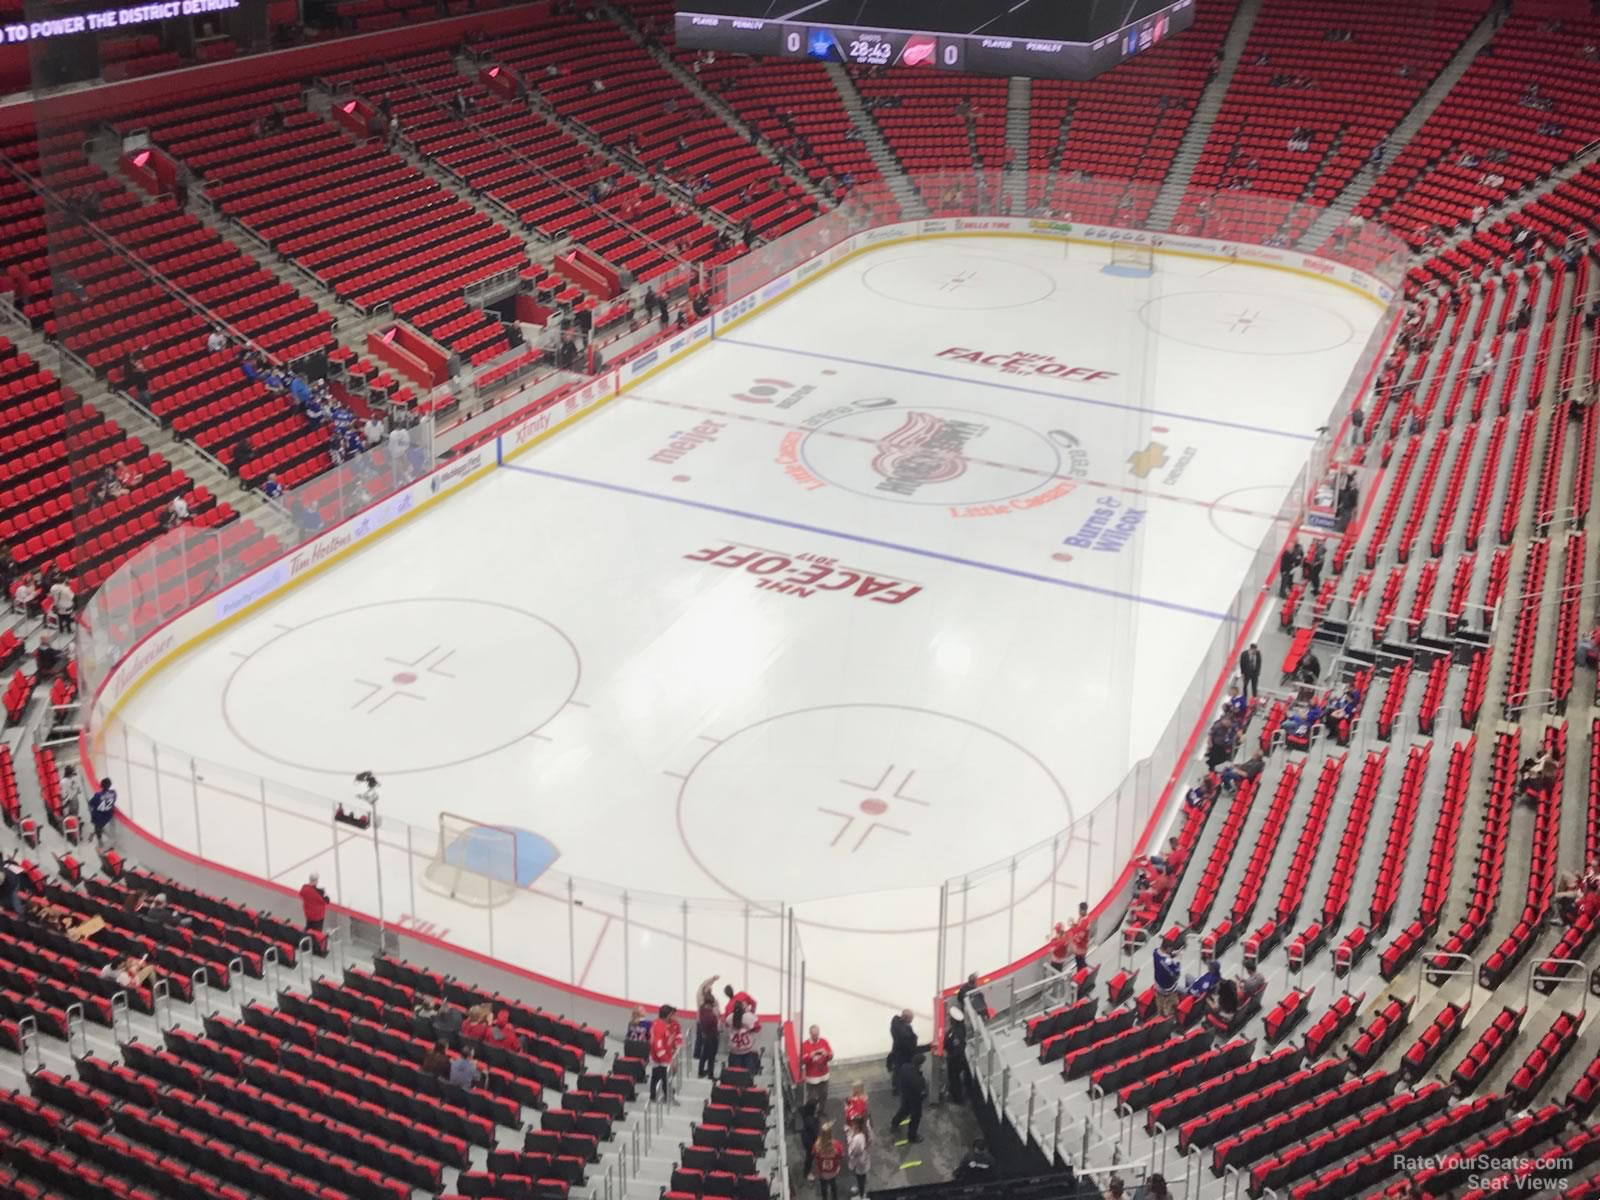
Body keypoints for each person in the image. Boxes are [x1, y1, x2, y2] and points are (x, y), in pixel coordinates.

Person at [889, 1052, 927, 1143]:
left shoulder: (905, 1067)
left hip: (905, 1095)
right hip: (915, 1100)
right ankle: (912, 1136)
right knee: (915, 1117)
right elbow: (922, 1093)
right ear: (920, 1064)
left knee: (903, 1110)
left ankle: (895, 1123)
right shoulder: (919, 1079)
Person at [648, 1003, 680, 1101]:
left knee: (656, 1076)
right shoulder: (660, 1028)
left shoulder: (656, 1023)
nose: (674, 1017)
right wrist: (669, 1061)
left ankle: (654, 1095)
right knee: (665, 1077)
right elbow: (659, 1048)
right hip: (660, 1058)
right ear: (668, 1015)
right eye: (672, 1014)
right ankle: (668, 1096)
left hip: (656, 1057)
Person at [800, 1024, 834, 1109]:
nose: (816, 1037)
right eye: (814, 1035)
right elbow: (802, 1060)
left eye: (817, 1034)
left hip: (824, 1076)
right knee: (811, 1098)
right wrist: (810, 1055)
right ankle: (811, 1114)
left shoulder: (823, 1041)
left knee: (823, 1096)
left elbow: (831, 1056)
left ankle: (821, 1111)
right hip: (812, 1078)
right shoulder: (805, 1045)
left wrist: (826, 1054)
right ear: (810, 1034)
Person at [693, 976, 720, 1077]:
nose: (710, 988)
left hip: (706, 1032)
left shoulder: (702, 1009)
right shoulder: (709, 1012)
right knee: (709, 1054)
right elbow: (702, 986)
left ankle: (701, 1071)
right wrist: (712, 979)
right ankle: (710, 1073)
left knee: (704, 1052)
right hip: (711, 1035)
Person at [943, 1006, 968, 1103]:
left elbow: (958, 1050)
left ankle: (958, 1098)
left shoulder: (956, 1034)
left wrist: (948, 1056)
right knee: (953, 1078)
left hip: (955, 1060)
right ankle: (954, 1093)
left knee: (954, 1079)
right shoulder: (957, 1029)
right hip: (955, 1058)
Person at [813, 1121, 844, 1200]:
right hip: (833, 1170)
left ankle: (825, 1198)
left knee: (823, 1187)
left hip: (822, 1172)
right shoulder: (836, 1145)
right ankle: (835, 1197)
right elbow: (841, 1156)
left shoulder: (817, 1145)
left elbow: (814, 1155)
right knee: (833, 1185)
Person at [887, 1009, 918, 1084]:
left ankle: (896, 1086)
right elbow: (910, 1044)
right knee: (901, 1069)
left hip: (897, 1050)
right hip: (903, 1053)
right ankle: (900, 1086)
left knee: (897, 1069)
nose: (911, 1021)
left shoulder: (896, 1023)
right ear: (906, 1018)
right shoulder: (904, 1032)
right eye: (911, 1019)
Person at [727, 1000, 758, 1071]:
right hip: (746, 1050)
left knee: (734, 1074)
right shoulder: (749, 1017)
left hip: (734, 1050)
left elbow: (727, 1024)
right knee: (747, 1074)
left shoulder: (730, 1017)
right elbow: (758, 1027)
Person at [846, 1115, 871, 1198]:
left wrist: (849, 1138)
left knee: (860, 1178)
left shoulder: (858, 1138)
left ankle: (861, 1194)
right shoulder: (866, 1131)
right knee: (862, 1177)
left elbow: (855, 1151)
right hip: (864, 1160)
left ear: (856, 1125)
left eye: (853, 1124)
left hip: (859, 1162)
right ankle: (861, 1189)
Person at [1153, 946, 1182, 1017]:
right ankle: (1169, 1016)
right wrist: (1177, 959)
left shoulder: (1156, 953)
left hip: (1159, 986)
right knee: (1171, 1003)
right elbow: (1176, 974)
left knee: (1160, 1004)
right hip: (1169, 988)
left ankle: (1161, 1015)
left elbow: (1160, 955)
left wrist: (1171, 956)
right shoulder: (1171, 963)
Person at [89, 777, 118, 845]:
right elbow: (113, 801)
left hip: (99, 816)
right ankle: (96, 832)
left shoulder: (98, 795)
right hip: (108, 815)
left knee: (98, 826)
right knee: (100, 826)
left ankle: (99, 838)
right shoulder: (113, 793)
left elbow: (91, 803)